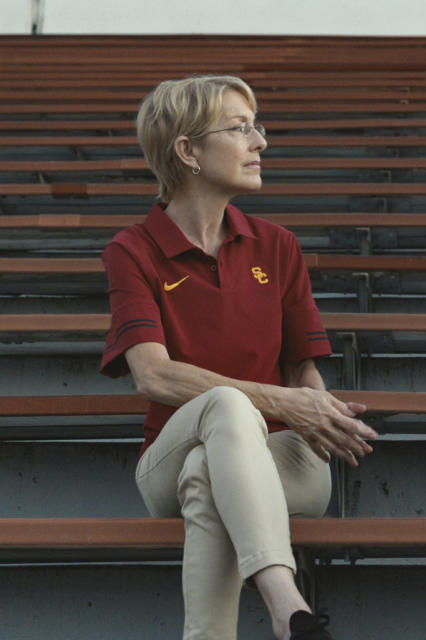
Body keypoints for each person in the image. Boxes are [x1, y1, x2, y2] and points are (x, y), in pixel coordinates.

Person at [99, 75, 378, 640]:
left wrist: (317, 408)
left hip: (286, 460)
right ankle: (286, 602)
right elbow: (151, 373)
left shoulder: (278, 246)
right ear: (188, 151)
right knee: (222, 411)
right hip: (168, 461)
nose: (261, 143)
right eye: (241, 128)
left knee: (210, 473)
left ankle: (279, 612)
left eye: (259, 127)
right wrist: (280, 400)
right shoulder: (133, 250)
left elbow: (304, 367)